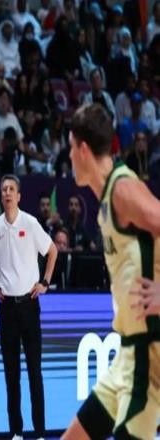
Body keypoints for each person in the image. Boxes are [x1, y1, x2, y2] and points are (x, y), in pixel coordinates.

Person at [62, 103, 160, 440]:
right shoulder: (106, 198)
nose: (68, 156)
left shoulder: (123, 189)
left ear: (83, 150)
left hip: (149, 356)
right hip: (128, 353)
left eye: (71, 148)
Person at [0, 174, 58, 440]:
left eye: (12, 189)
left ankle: (41, 433)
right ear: (1, 196)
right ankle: (16, 432)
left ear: (19, 196)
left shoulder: (31, 223)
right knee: (11, 374)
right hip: (7, 309)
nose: (8, 193)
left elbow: (53, 250)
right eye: (4, 189)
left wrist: (45, 282)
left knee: (35, 372)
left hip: (30, 305)